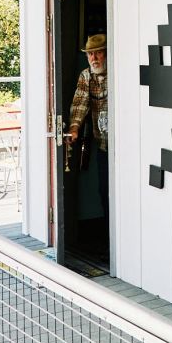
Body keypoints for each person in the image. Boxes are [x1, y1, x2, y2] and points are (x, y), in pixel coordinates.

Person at [67, 33, 108, 221]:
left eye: (98, 53)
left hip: (126, 145)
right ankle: (109, 235)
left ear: (107, 53)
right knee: (104, 189)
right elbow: (80, 103)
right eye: (90, 54)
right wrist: (74, 127)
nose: (94, 58)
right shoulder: (86, 75)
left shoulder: (118, 71)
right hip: (103, 144)